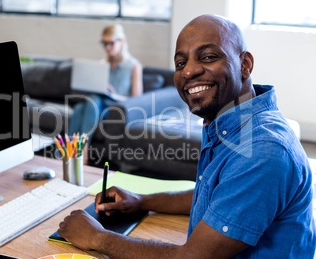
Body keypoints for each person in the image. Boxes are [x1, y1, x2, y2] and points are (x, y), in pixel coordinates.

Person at [58, 14, 316, 258]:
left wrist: (98, 238)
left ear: (245, 65)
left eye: (207, 57)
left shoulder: (262, 149)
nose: (189, 71)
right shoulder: (227, 120)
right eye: (181, 63)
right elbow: (217, 194)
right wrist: (140, 201)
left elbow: (194, 256)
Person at [68, 24, 143, 157]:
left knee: (93, 100)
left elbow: (138, 100)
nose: (107, 47)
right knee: (80, 107)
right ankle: (69, 150)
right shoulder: (102, 64)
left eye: (111, 43)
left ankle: (83, 150)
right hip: (99, 105)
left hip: (116, 108)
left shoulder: (134, 66)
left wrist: (114, 95)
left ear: (122, 41)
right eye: (104, 43)